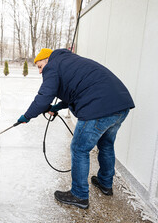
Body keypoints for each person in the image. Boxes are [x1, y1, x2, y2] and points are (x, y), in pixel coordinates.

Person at [17, 48, 135, 209]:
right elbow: (78, 90)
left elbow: (45, 96)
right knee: (106, 144)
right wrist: (57, 107)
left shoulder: (52, 66)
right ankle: (105, 183)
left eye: (39, 66)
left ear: (47, 60)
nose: (39, 71)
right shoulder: (70, 61)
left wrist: (27, 116)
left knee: (79, 149)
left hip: (98, 108)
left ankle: (79, 195)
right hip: (121, 105)